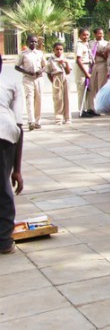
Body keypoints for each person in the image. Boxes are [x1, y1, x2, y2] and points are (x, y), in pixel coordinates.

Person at [0, 54, 24, 254]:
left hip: (4, 133)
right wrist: (17, 169)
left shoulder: (12, 81)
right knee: (3, 184)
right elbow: (19, 124)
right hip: (5, 133)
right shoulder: (12, 81)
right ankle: (4, 240)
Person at [15, 35, 45, 131]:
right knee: (30, 99)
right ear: (27, 42)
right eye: (31, 42)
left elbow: (45, 65)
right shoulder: (23, 54)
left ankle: (37, 121)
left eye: (35, 42)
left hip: (38, 79)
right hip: (28, 79)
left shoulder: (40, 53)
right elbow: (17, 66)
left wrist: (41, 70)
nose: (33, 44)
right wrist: (27, 72)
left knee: (38, 100)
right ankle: (31, 121)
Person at [45, 42, 72, 125]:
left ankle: (67, 118)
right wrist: (53, 81)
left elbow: (68, 72)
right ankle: (58, 118)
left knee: (66, 97)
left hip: (65, 77)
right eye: (57, 49)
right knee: (58, 98)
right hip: (56, 77)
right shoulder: (51, 60)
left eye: (61, 49)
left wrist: (64, 63)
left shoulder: (65, 59)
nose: (59, 51)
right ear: (53, 50)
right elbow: (48, 72)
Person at [88, 27, 109, 116]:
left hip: (102, 64)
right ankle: (92, 107)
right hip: (93, 64)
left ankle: (102, 107)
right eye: (98, 33)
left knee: (101, 85)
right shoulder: (91, 43)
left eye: (102, 33)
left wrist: (96, 52)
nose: (100, 35)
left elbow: (105, 56)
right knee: (92, 86)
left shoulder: (106, 43)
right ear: (95, 34)